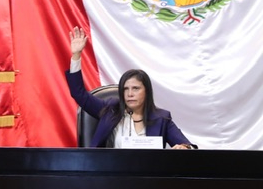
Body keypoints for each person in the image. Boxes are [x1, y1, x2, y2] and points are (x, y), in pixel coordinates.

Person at [66, 26, 196, 149]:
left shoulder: (161, 118)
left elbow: (187, 145)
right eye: (125, 89)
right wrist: (76, 56)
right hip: (111, 165)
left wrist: (184, 147)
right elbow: (78, 93)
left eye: (135, 88)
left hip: (148, 166)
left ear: (146, 91)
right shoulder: (109, 109)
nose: (130, 94)